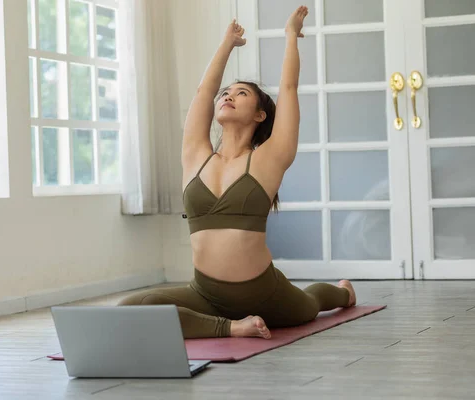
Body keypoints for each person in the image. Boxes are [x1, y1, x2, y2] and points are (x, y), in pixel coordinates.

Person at [119, 6, 356, 339]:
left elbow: (288, 90)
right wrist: (227, 44)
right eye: (226, 93)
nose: (228, 95)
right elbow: (204, 92)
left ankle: (345, 292)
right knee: (129, 309)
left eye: (241, 93)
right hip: (204, 293)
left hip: (263, 294)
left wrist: (290, 36)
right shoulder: (195, 157)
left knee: (310, 303)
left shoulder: (268, 159)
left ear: (260, 115)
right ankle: (230, 327)